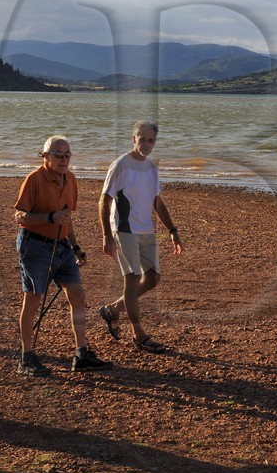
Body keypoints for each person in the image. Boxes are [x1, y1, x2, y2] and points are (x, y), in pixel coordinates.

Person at [13, 135, 109, 377]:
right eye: (59, 155)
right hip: (34, 246)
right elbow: (19, 216)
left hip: (62, 246)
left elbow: (67, 218)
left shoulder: (71, 180)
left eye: (68, 155)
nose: (64, 159)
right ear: (46, 156)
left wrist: (76, 247)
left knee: (77, 296)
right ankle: (26, 357)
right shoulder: (34, 180)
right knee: (33, 300)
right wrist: (48, 218)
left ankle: (81, 354)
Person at [98, 120, 183, 353]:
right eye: (142, 139)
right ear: (133, 139)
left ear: (155, 143)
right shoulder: (120, 165)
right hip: (124, 229)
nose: (146, 144)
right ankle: (139, 334)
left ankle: (113, 310)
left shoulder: (151, 168)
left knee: (154, 278)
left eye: (150, 140)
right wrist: (106, 235)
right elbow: (104, 200)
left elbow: (158, 202)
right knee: (132, 279)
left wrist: (173, 231)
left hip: (147, 229)